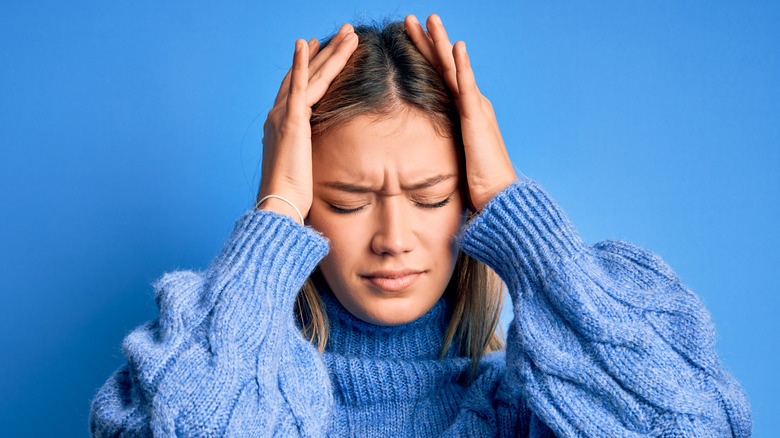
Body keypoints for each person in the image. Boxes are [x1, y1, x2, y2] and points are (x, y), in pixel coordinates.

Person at [89, 14, 753, 437]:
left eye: (431, 197)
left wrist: (525, 229)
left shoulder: (526, 414)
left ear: (469, 205)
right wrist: (274, 213)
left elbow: (698, 426)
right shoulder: (229, 393)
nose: (393, 238)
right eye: (347, 200)